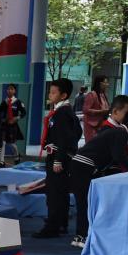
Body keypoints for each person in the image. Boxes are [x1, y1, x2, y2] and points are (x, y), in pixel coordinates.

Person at [69, 100, 128, 248]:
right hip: (85, 165)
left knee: (84, 202)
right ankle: (83, 237)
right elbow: (118, 156)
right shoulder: (121, 132)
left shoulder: (116, 131)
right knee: (86, 203)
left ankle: (80, 236)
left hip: (79, 164)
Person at [33, 78, 81, 238]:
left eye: (53, 92)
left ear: (63, 95)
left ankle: (52, 226)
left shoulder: (61, 113)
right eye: (50, 92)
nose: (50, 95)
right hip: (62, 155)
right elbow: (77, 132)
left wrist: (58, 158)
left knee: (54, 192)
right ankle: (61, 223)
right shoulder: (66, 111)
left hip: (57, 157)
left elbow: (63, 137)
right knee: (61, 191)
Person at [0, 83, 26, 161]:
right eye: (8, 89)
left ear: (15, 91)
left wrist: (16, 118)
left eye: (11, 89)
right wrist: (2, 119)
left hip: (13, 125)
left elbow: (24, 113)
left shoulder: (18, 102)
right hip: (4, 125)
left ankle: (17, 156)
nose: (9, 90)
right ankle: (2, 161)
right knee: (2, 142)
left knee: (11, 144)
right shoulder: (4, 102)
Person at [82, 75, 110, 142]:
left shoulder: (103, 95)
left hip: (101, 124)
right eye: (106, 82)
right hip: (91, 125)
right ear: (100, 83)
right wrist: (101, 111)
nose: (107, 85)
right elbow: (86, 110)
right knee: (92, 144)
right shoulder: (92, 94)